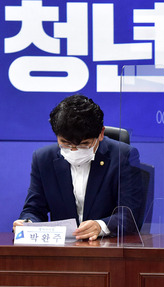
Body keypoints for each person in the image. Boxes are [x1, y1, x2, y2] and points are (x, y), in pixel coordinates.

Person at [13, 94, 144, 241]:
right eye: (66, 143)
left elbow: (130, 215)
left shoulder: (123, 156)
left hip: (107, 247)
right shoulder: (43, 159)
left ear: (101, 133)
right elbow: (34, 209)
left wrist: (101, 226)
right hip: (64, 249)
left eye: (83, 144)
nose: (74, 150)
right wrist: (28, 223)